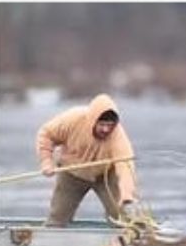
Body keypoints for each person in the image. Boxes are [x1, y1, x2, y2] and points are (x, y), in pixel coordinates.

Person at [36, 94, 139, 226]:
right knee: (57, 217)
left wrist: (126, 196)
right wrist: (46, 161)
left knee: (121, 216)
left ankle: (123, 241)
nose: (106, 129)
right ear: (92, 120)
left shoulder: (118, 137)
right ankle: (51, 239)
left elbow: (125, 166)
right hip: (72, 172)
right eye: (102, 124)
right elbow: (46, 134)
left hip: (105, 175)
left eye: (110, 125)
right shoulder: (72, 119)